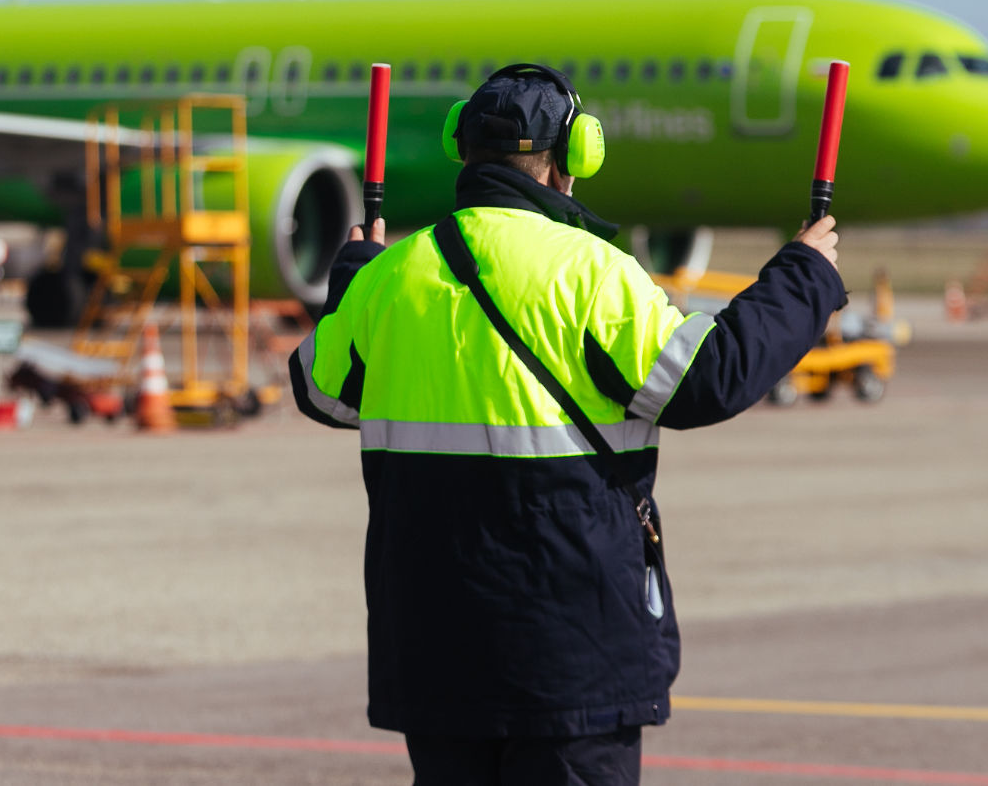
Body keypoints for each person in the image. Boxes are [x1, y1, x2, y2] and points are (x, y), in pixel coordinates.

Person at [289, 63, 846, 785]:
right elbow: (709, 378)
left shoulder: (395, 277)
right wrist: (802, 274)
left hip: (432, 656)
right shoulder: (592, 271)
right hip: (567, 659)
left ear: (467, 149)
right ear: (572, 158)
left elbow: (319, 388)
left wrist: (352, 282)